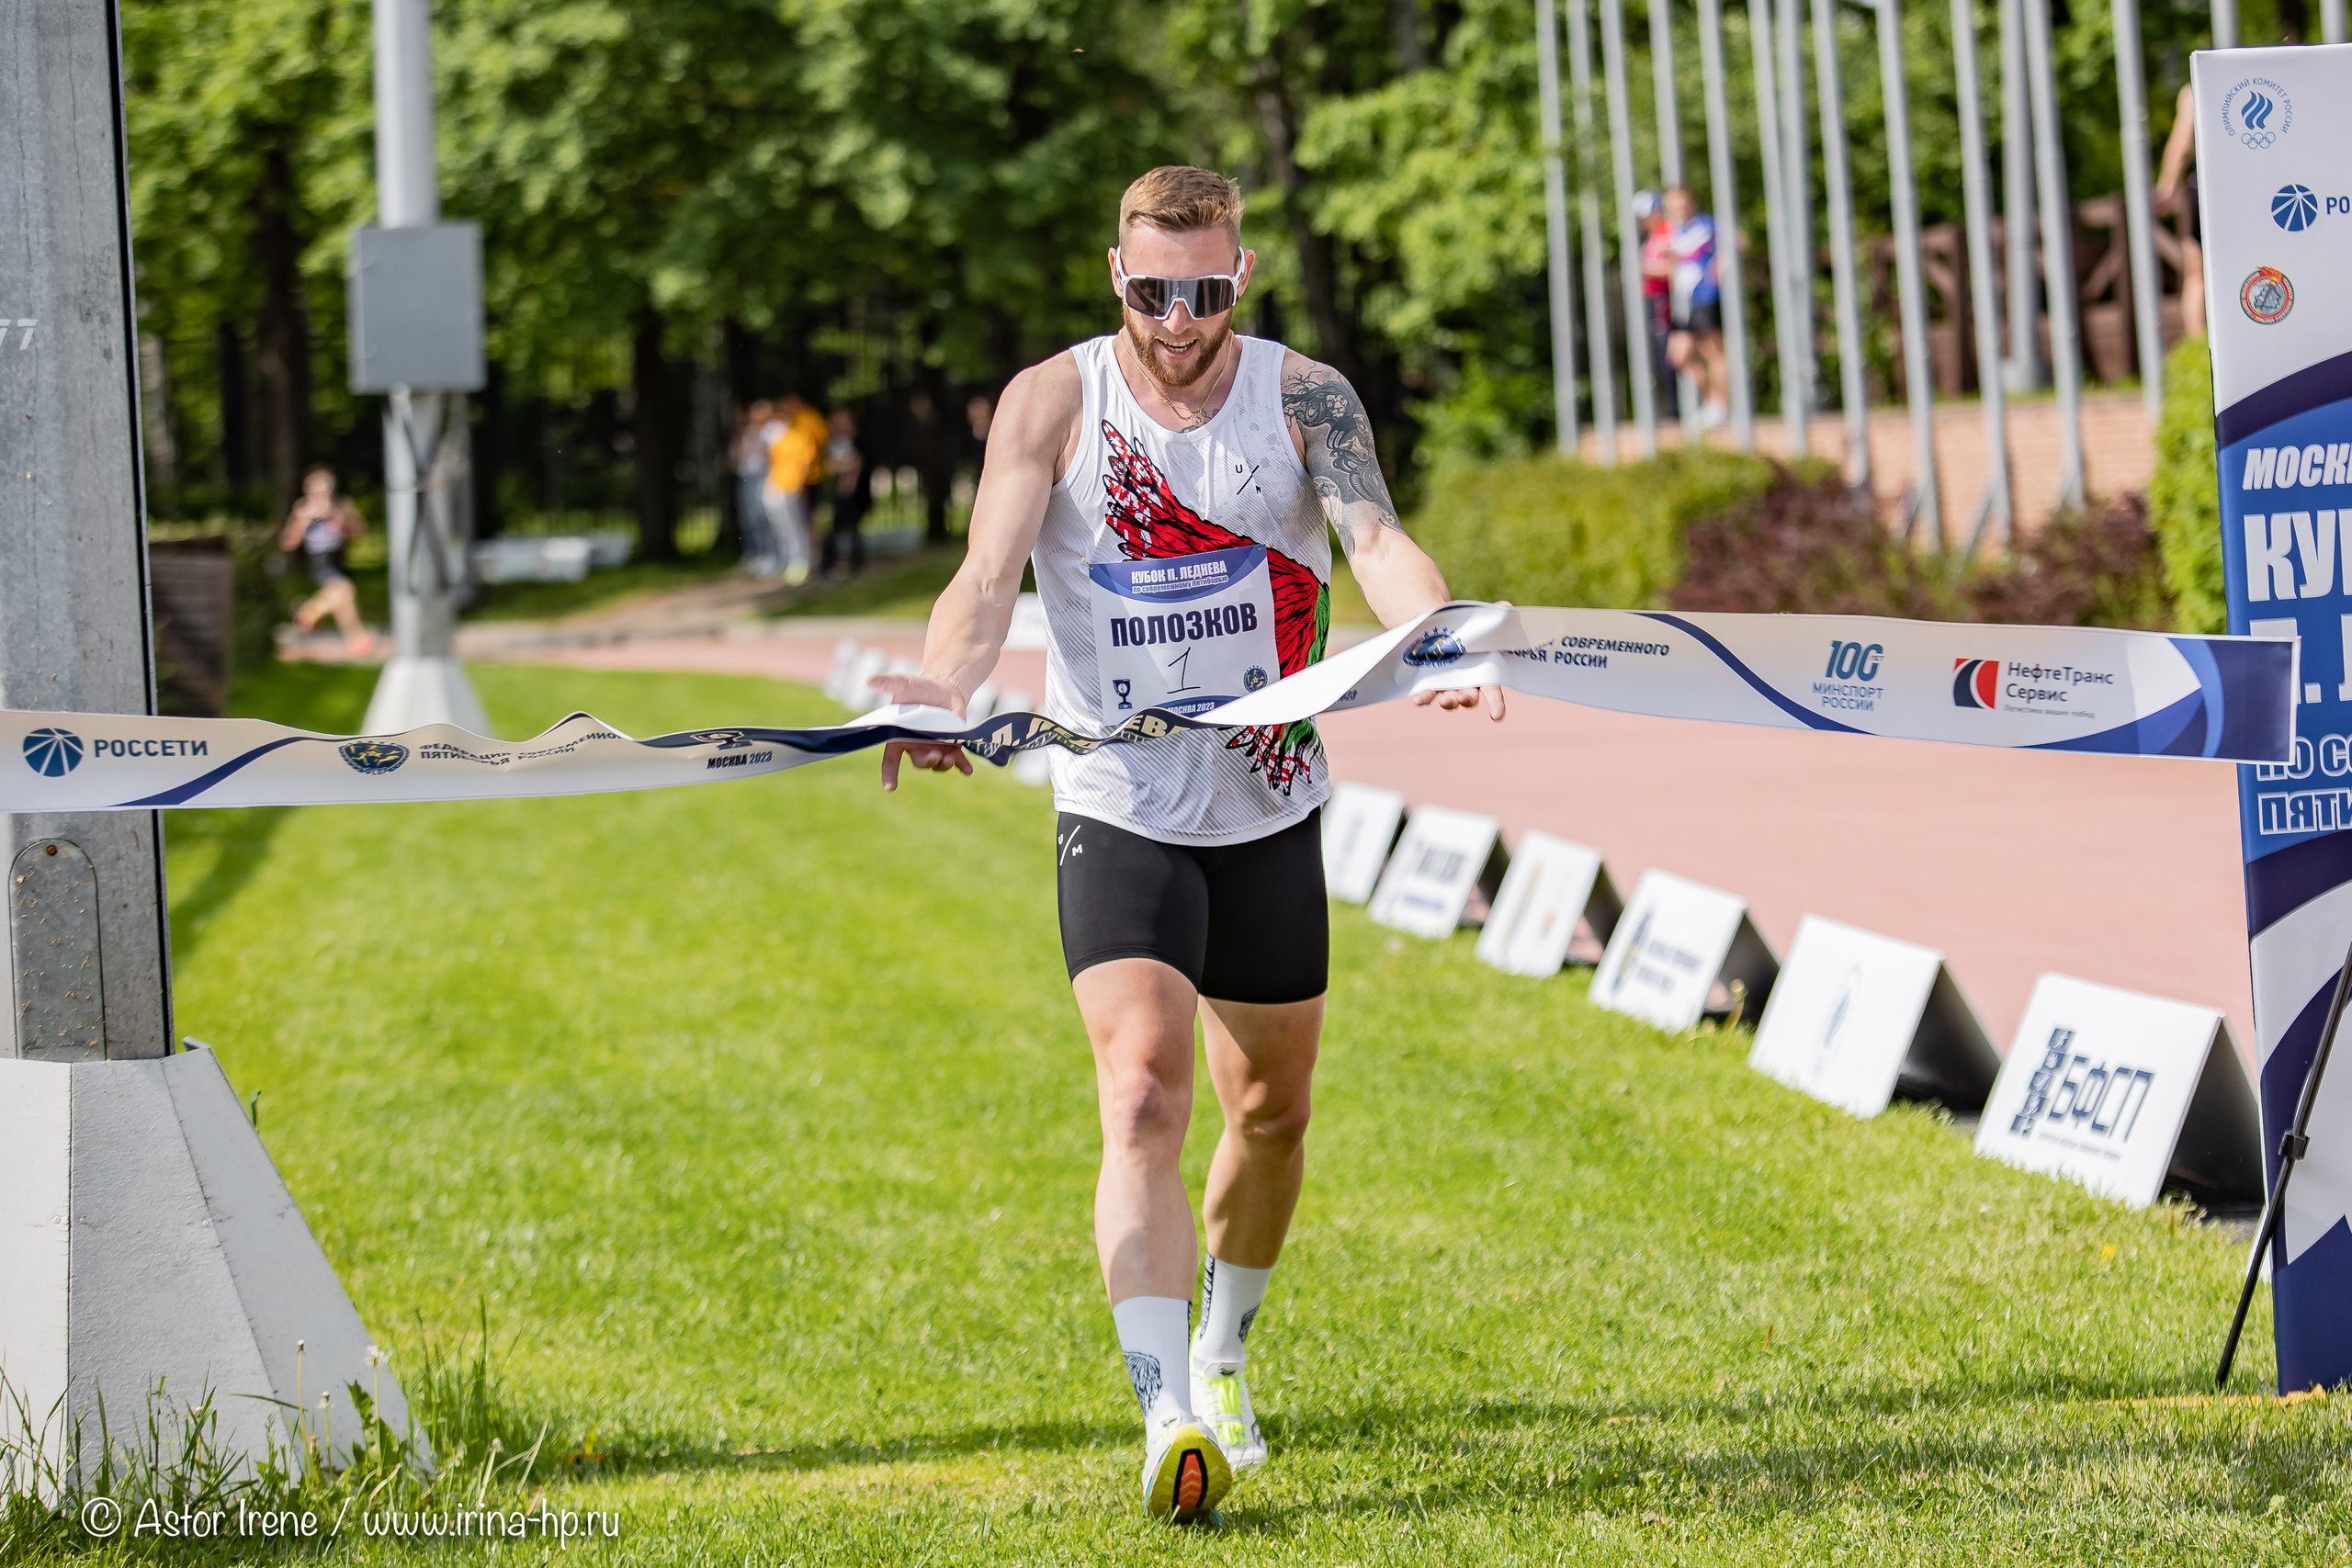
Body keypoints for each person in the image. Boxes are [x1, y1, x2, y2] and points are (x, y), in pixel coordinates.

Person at [868, 165, 1503, 1526]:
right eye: (1153, 290)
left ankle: (1223, 1351)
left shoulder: (1302, 394)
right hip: (1119, 796)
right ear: (1116, 276)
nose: (1177, 317)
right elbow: (985, 578)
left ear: (1242, 276)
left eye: (1205, 291)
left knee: (1270, 1109)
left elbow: (1376, 537)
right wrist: (941, 684)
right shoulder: (1053, 398)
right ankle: (1164, 1410)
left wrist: (1433, 634)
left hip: (1268, 795)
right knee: (1144, 1089)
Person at [277, 466, 374, 658]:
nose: (322, 495)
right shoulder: (303, 509)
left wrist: (345, 521)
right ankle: (357, 638)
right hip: (318, 563)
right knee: (345, 590)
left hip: (338, 560)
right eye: (317, 491)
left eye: (325, 490)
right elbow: (287, 543)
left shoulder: (342, 506)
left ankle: (308, 613)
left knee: (342, 599)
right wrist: (302, 522)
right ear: (309, 491)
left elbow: (359, 534)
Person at [1661, 187, 1731, 430]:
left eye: (1682, 203)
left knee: (1712, 351)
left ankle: (1720, 406)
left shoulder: (1706, 225)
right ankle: (1712, 402)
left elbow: (1736, 241)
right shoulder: (1678, 231)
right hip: (1687, 300)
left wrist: (1721, 263)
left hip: (1706, 296)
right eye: (1673, 204)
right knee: (1678, 355)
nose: (1679, 208)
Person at [2155, 83, 2205, 341]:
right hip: (2247, 187)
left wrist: (2166, 189)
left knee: (2197, 274)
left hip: (2207, 187)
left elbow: (2181, 145)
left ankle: (2198, 348)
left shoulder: (2195, 87)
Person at [762, 392, 822, 585]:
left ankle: (802, 561)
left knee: (797, 525)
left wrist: (801, 485)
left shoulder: (801, 435)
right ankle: (789, 560)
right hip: (777, 486)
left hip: (792, 487)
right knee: (782, 527)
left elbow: (805, 463)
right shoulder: (778, 438)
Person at [1635, 190, 1679, 419]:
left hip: (1666, 300)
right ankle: (1671, 406)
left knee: (1670, 353)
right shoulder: (1654, 235)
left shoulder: (1667, 232)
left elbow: (1675, 267)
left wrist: (1644, 268)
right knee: (1661, 354)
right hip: (1656, 300)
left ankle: (1675, 407)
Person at [821, 406, 869, 579]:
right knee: (837, 528)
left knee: (851, 526)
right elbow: (829, 466)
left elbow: (857, 464)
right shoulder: (833, 441)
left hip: (853, 492)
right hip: (840, 492)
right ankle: (833, 564)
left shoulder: (858, 439)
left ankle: (854, 562)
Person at [734, 400, 780, 575]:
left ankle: (771, 555)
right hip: (747, 476)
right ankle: (757, 553)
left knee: (764, 516)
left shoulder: (770, 431)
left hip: (764, 476)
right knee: (750, 517)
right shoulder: (748, 432)